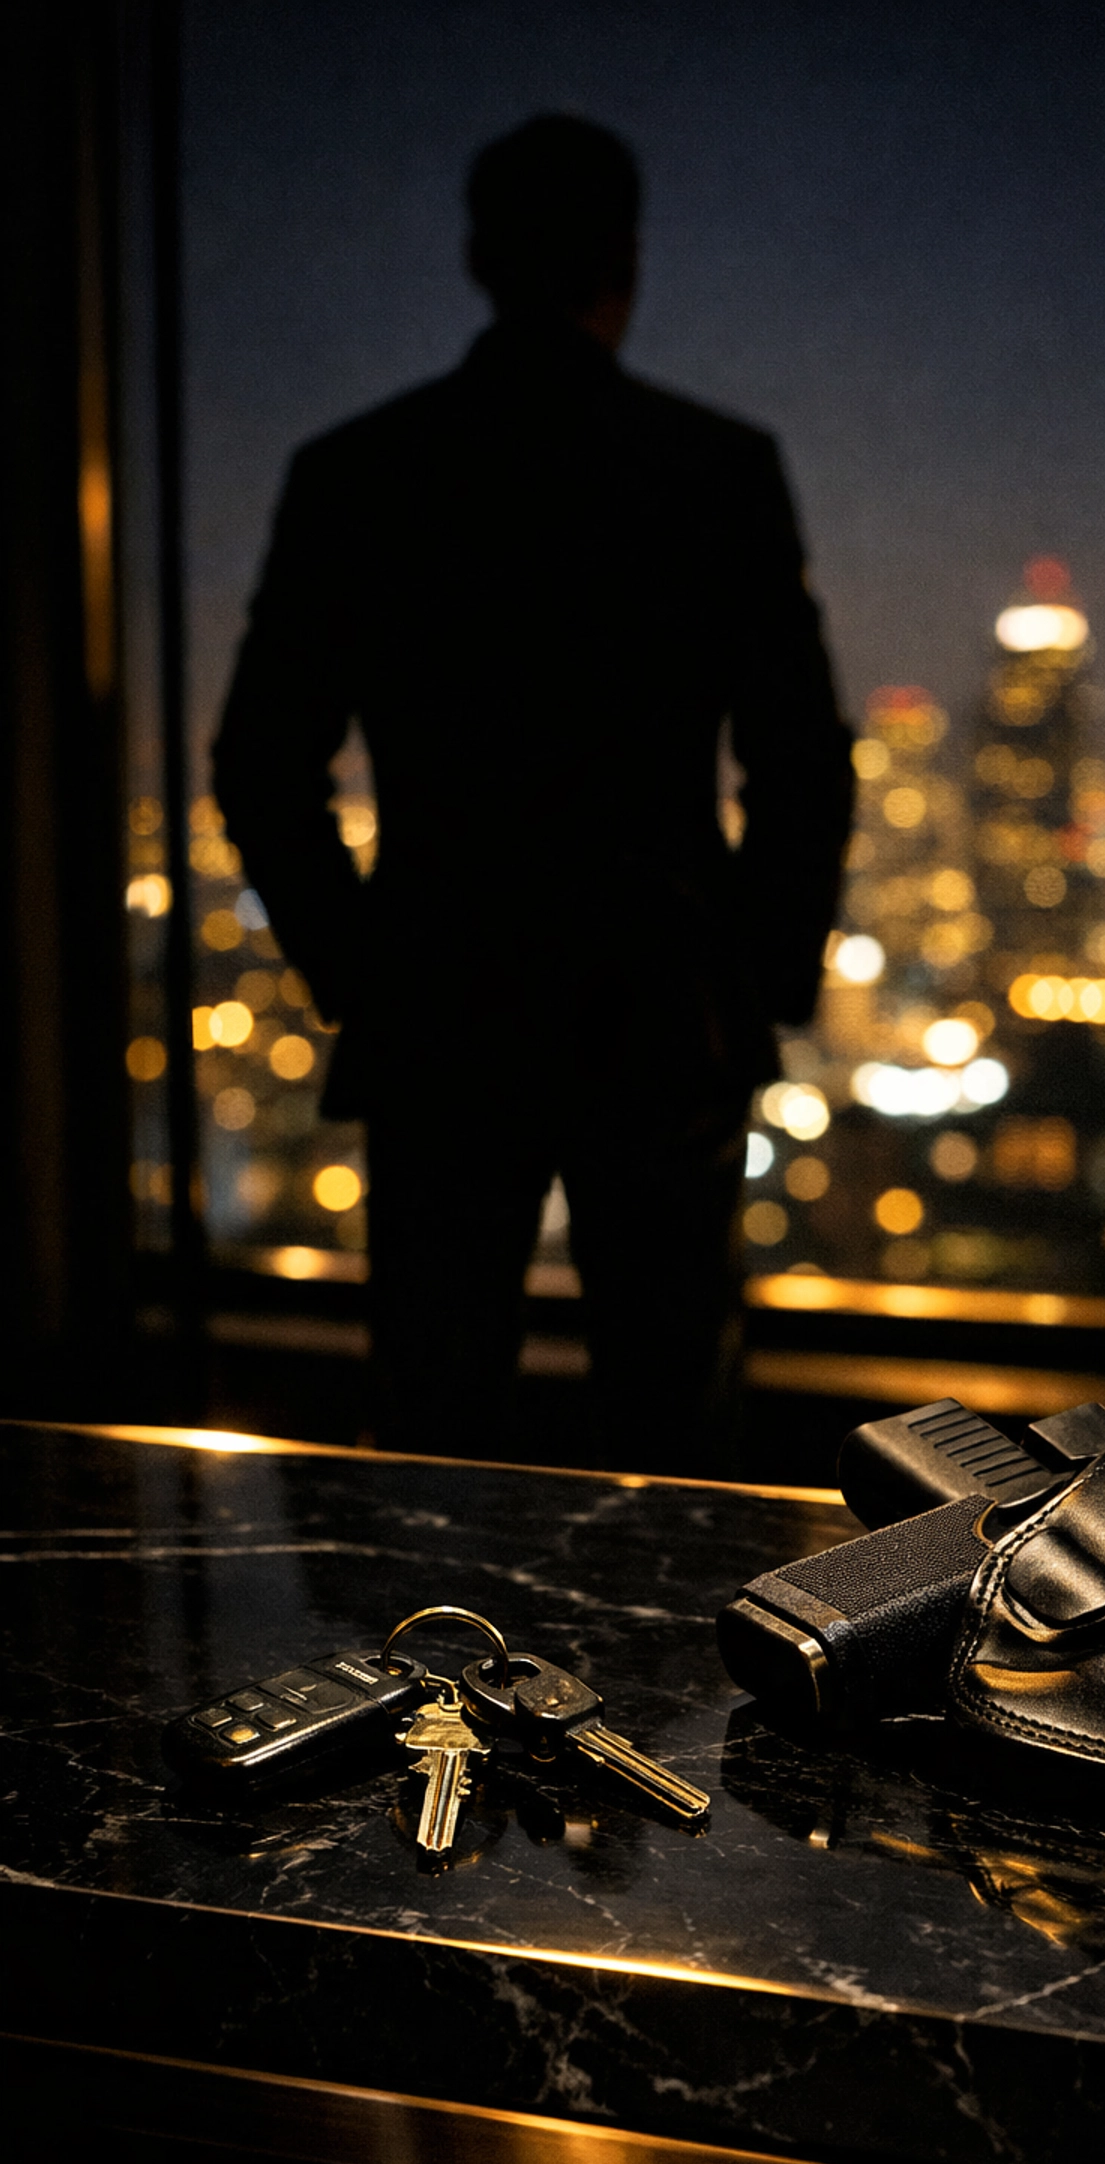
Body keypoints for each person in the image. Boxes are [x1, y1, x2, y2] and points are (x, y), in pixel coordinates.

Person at [213, 115, 853, 1474]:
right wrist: (756, 976)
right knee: (677, 1439)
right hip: (662, 1008)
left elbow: (260, 760)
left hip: (444, 1007)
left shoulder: (361, 474)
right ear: (626, 261)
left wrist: (362, 969)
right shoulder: (716, 471)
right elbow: (801, 758)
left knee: (433, 1432)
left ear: (478, 257)